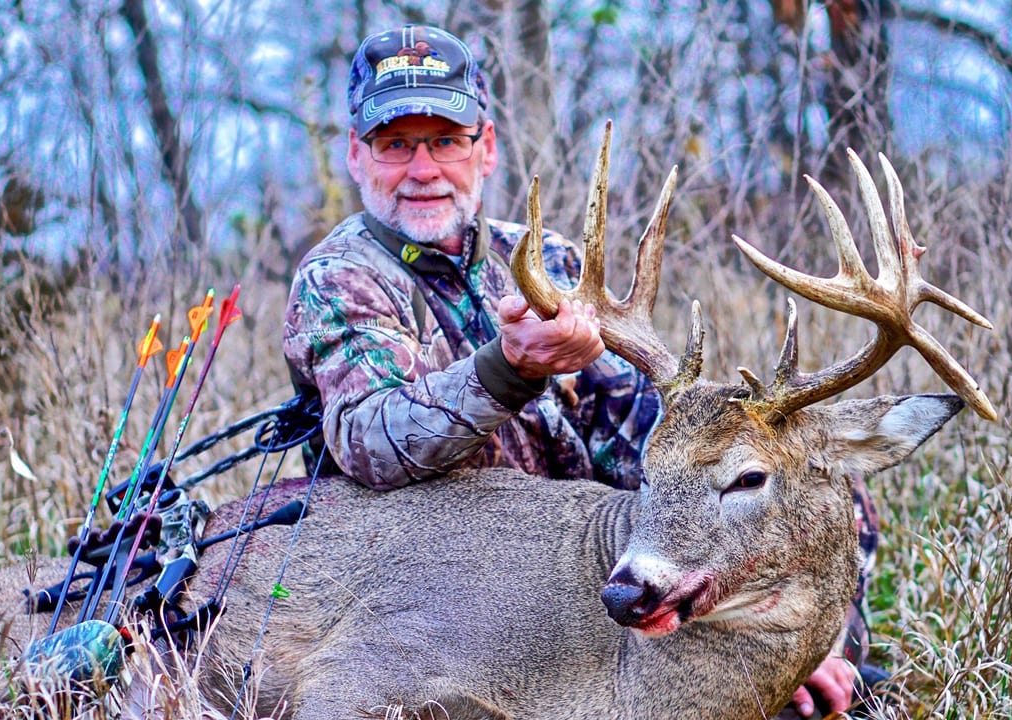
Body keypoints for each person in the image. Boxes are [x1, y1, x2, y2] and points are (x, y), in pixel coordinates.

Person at [281, 23, 878, 718]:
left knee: (813, 472)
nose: (422, 169)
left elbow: (643, 442)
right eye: (395, 145)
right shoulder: (341, 278)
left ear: (488, 148)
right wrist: (508, 367)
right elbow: (371, 445)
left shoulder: (548, 263)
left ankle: (821, 665)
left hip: (578, 573)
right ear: (356, 155)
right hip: (430, 589)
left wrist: (783, 624)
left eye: (445, 141)